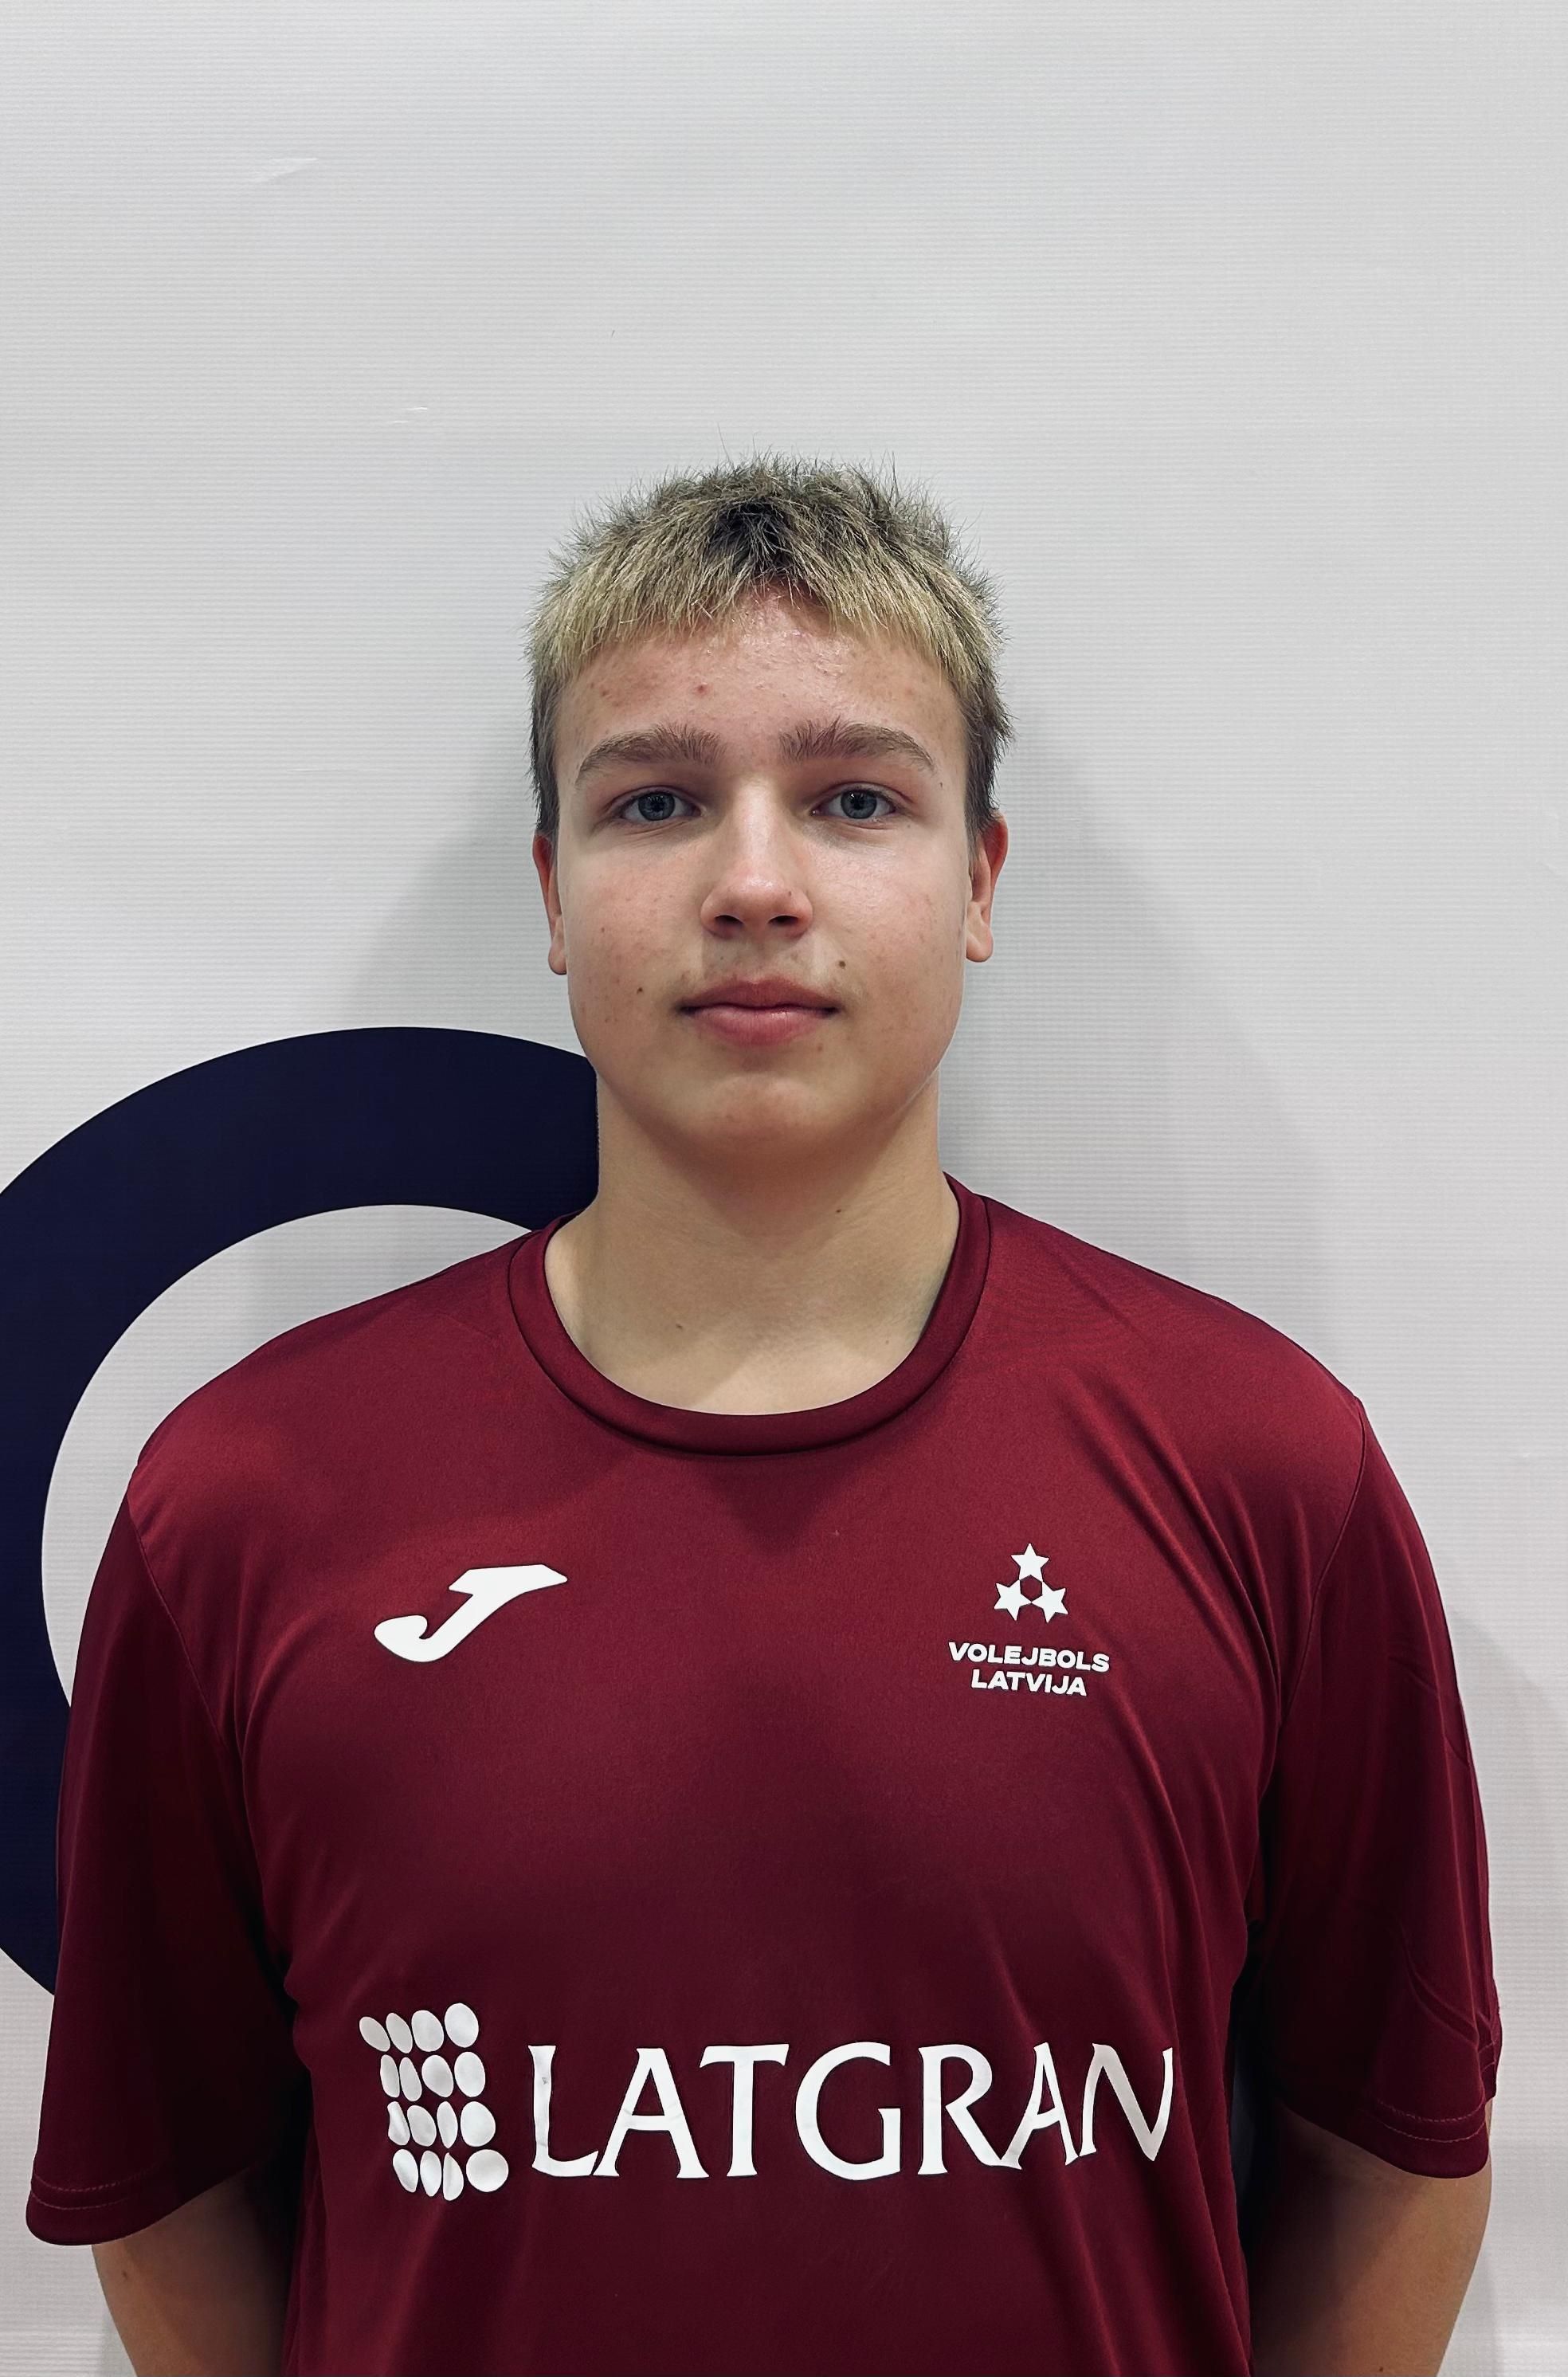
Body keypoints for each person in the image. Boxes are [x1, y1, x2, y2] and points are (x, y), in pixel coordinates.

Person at [26, 453, 1499, 2377]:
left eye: (854, 797)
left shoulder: (1264, 1470)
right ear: (554, 893)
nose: (752, 883)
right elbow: (166, 2182)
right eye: (654, 799)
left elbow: (1390, 2153)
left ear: (980, 879)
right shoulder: (246, 1503)